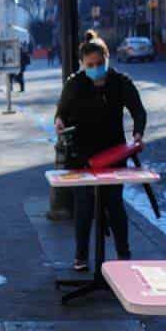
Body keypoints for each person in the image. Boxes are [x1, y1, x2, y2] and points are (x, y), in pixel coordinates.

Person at [53, 32, 147, 272]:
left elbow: (138, 111)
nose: (96, 69)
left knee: (114, 203)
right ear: (83, 64)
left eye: (99, 63)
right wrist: (59, 122)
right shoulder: (74, 84)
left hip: (113, 153)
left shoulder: (121, 82)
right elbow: (61, 112)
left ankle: (124, 255)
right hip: (81, 155)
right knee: (84, 205)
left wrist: (138, 134)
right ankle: (81, 257)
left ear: (107, 58)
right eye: (90, 65)